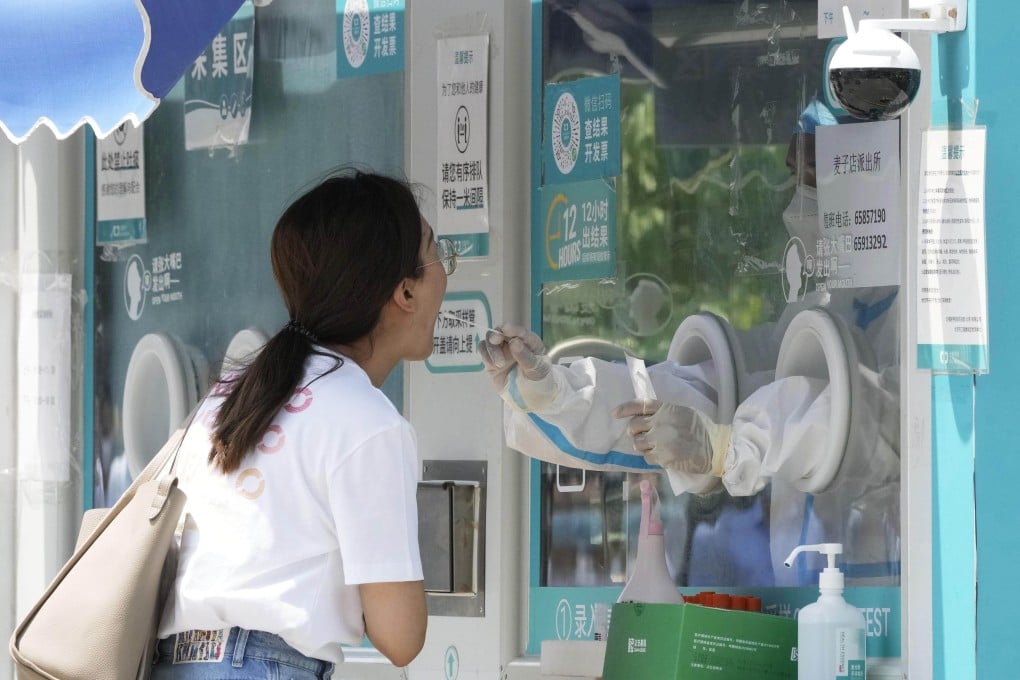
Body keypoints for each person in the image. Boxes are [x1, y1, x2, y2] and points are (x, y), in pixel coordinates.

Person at [479, 101, 900, 589]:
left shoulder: (918, 311)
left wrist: (728, 447)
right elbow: (718, 392)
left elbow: (878, 423)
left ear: (875, 172)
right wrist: (559, 393)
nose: (799, 197)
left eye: (815, 171)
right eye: (796, 173)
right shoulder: (823, 305)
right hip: (807, 598)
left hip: (892, 594)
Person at [152, 169, 456, 678]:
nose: (447, 271)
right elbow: (400, 638)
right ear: (404, 293)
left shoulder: (231, 395)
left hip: (176, 662)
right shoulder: (369, 424)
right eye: (438, 254)